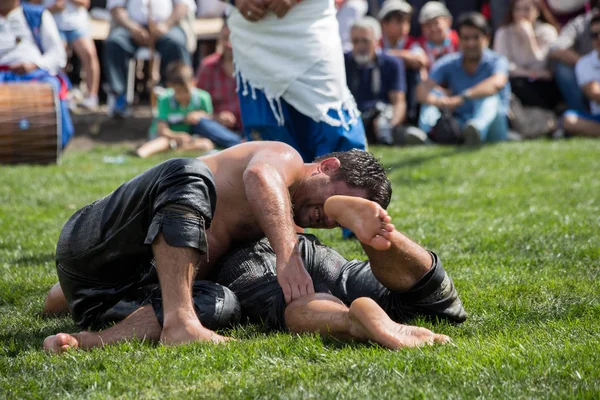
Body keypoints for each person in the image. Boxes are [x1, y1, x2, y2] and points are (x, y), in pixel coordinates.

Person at [44, 143, 393, 346]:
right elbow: (259, 177)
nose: (329, 220)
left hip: (104, 296)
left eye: (339, 218)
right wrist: (287, 256)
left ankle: (91, 341)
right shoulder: (283, 158)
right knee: (188, 172)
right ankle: (179, 323)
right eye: (336, 202)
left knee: (223, 304)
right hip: (91, 237)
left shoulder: (284, 226)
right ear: (326, 167)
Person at [43, 196, 467, 353]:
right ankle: (389, 249)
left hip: (255, 261)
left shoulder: (193, 203)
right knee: (431, 303)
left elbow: (57, 300)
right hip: (316, 251)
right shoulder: (280, 194)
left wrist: (77, 292)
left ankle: (350, 319)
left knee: (296, 302)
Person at [226, 0, 367, 163]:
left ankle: (346, 187)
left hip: (309, 24)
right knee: (268, 140)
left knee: (333, 127)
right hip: (251, 32)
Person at [417, 12, 510, 145]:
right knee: (433, 95)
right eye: (466, 38)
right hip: (460, 122)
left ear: (487, 38)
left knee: (490, 97)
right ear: (459, 40)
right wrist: (440, 101)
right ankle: (427, 136)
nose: (470, 43)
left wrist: (463, 97)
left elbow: (496, 83)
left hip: (494, 125)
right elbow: (422, 90)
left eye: (476, 37)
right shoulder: (448, 62)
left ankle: (476, 130)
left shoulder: (498, 60)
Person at [0, 0, 73, 149]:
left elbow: (57, 54)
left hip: (33, 73)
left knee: (52, 86)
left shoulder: (37, 14)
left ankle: (54, 145)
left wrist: (33, 65)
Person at [104, 0, 196, 117]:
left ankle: (174, 95)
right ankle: (118, 95)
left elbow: (183, 5)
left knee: (176, 43)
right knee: (115, 43)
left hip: (166, 27)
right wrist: (132, 28)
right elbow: (116, 8)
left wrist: (166, 25)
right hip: (130, 27)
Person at [344, 17, 427, 145]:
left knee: (385, 124)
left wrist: (391, 124)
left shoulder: (392, 63)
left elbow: (399, 102)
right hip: (351, 118)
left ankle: (395, 135)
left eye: (365, 41)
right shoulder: (343, 62)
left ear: (377, 41)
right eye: (356, 41)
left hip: (382, 117)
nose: (360, 46)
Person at [136, 62, 241, 158]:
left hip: (189, 137)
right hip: (167, 135)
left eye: (185, 91)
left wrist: (201, 115)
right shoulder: (165, 99)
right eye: (177, 92)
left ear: (193, 83)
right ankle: (142, 153)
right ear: (169, 86)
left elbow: (209, 123)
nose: (182, 96)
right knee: (163, 142)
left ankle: (174, 151)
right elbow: (162, 130)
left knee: (206, 144)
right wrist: (177, 136)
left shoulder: (203, 97)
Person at [493, 0, 560, 110]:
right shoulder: (503, 32)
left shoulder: (547, 31)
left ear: (537, 11)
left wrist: (529, 38)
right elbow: (503, 66)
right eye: (517, 9)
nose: (521, 14)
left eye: (526, 9)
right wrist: (532, 74)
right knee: (513, 85)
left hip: (542, 85)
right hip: (516, 81)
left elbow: (540, 64)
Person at [35, 0, 101, 110]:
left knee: (89, 53)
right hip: (53, 25)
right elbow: (32, 7)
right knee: (60, 59)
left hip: (78, 24)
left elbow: (85, 3)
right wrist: (52, 8)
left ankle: (92, 97)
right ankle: (64, 95)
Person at [378, 0, 427, 124]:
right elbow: (373, 54)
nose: (404, 27)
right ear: (384, 23)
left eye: (407, 22)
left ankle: (410, 118)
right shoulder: (377, 42)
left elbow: (421, 59)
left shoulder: (410, 43)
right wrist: (403, 55)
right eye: (398, 22)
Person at [548, 1, 598, 114]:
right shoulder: (581, 22)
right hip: (588, 76)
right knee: (562, 67)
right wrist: (586, 64)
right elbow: (556, 48)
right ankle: (582, 114)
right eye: (594, 35)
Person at [195, 20, 242, 132]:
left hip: (247, 123)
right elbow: (197, 107)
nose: (229, 44)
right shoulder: (208, 66)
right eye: (225, 38)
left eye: (233, 38)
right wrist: (217, 117)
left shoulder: (251, 67)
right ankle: (238, 142)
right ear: (219, 40)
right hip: (218, 127)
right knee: (201, 122)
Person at [563, 13, 600, 137]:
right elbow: (594, 93)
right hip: (597, 116)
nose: (599, 38)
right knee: (569, 119)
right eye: (594, 35)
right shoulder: (584, 63)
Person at [418, 2, 460, 67]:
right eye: (428, 25)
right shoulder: (419, 46)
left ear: (448, 21)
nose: (433, 29)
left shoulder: (459, 41)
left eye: (436, 23)